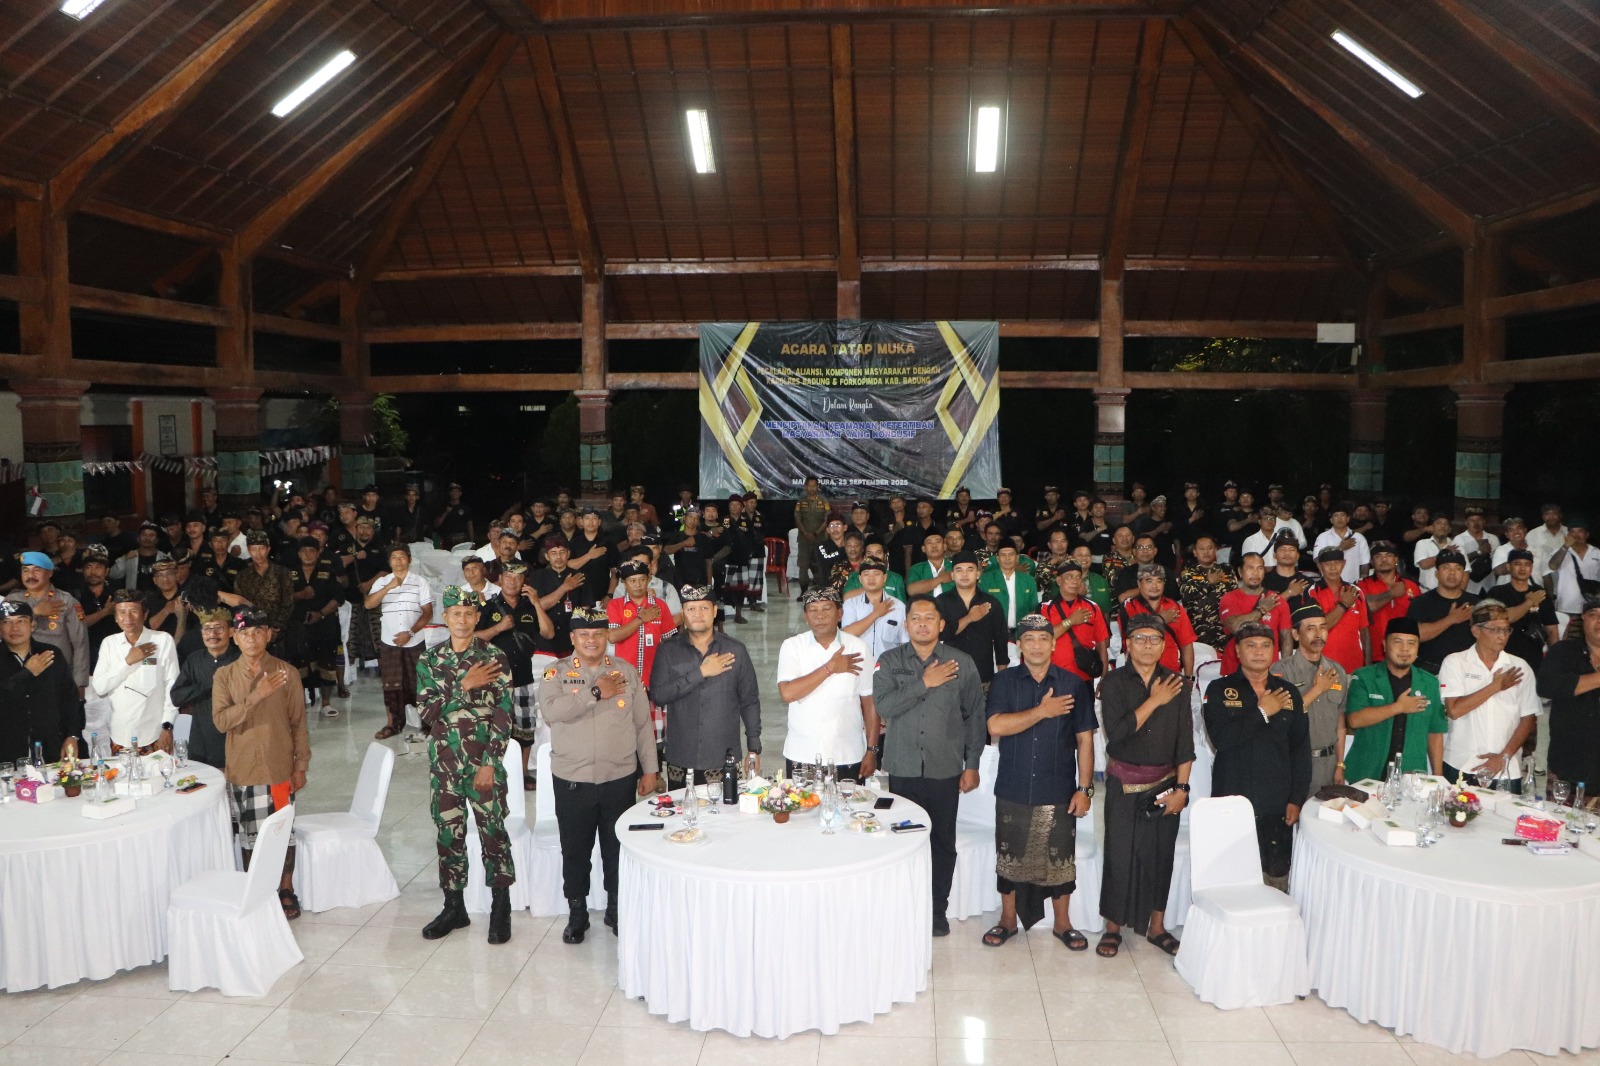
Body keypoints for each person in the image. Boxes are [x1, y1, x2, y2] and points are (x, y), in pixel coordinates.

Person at [538, 607, 658, 944]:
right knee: (575, 850)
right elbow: (551, 712)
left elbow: (642, 724)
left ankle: (616, 908)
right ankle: (577, 913)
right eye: (584, 634)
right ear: (573, 638)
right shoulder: (554, 673)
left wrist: (650, 769)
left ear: (607, 636)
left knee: (616, 849)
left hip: (618, 778)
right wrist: (594, 693)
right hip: (572, 779)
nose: (591, 640)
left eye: (598, 633)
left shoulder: (625, 671)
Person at [978, 613, 1098, 949]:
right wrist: (1042, 712)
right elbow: (996, 727)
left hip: (1058, 785)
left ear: (1053, 643)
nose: (1036, 645)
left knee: (1060, 859)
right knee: (1009, 856)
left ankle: (1063, 923)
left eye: (1043, 638)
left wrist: (1085, 788)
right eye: (1028, 639)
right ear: (1019, 646)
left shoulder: (1073, 684)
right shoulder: (1004, 682)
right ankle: (1007, 921)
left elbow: (1085, 740)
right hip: (1014, 784)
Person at [874, 595, 988, 937]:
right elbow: (884, 707)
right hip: (903, 766)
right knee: (904, 840)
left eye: (929, 618)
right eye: (915, 618)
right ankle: (906, 905)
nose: (922, 623)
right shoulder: (889, 661)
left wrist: (972, 764)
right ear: (906, 625)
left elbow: (975, 716)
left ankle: (937, 909)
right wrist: (924, 682)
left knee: (941, 840)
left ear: (941, 625)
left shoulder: (961, 662)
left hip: (945, 767)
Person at [414, 587, 516, 944]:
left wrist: (490, 763)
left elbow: (504, 716)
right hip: (444, 765)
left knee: (493, 835)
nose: (462, 620)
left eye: (468, 614)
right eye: (455, 613)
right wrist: (464, 685)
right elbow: (426, 714)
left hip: (482, 765)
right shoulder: (430, 660)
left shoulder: (494, 657)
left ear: (477, 617)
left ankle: (500, 907)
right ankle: (454, 906)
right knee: (448, 835)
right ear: (446, 616)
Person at [1098, 613, 1192, 957]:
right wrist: (1154, 700)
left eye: (1154, 639)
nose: (1147, 645)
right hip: (1125, 782)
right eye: (1140, 639)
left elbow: (1185, 744)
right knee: (1119, 855)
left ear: (1165, 645)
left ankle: (1156, 927)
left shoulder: (1178, 683)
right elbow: (1117, 735)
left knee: (1160, 857)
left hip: (1166, 783)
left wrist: (1183, 789)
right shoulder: (1114, 683)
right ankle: (1112, 928)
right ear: (1127, 644)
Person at [212, 607, 311, 919]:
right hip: (242, 769)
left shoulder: (287, 673)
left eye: (257, 631)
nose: (251, 638)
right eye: (244, 632)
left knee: (284, 832)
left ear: (269, 634)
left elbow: (299, 723)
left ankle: (285, 888)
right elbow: (221, 721)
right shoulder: (224, 676)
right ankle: (256, 889)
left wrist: (301, 765)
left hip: (279, 766)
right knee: (249, 834)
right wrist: (256, 696)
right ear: (234, 638)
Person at [1203, 622, 1309, 888]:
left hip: (1277, 803)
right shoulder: (1218, 690)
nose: (1259, 652)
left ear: (1274, 651)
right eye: (1251, 646)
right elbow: (1222, 740)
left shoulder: (1289, 693)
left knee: (1276, 879)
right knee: (1231, 878)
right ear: (1237, 651)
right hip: (1232, 798)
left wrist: (1296, 799)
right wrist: (1262, 713)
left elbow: (1300, 750)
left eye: (1265, 646)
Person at [649, 583, 762, 781]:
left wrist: (753, 748)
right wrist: (700, 673)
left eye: (704, 608)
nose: (697, 614)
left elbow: (749, 700)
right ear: (682, 613)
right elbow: (658, 695)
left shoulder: (736, 650)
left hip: (723, 757)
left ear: (714, 611)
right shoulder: (667, 651)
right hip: (681, 761)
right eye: (691, 609)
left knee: (728, 810)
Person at [776, 587, 878, 780]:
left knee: (849, 809)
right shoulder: (792, 646)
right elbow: (788, 693)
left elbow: (869, 702)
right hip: (802, 754)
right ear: (806, 617)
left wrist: (872, 750)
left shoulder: (857, 647)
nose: (819, 616)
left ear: (840, 613)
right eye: (813, 610)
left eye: (826, 609)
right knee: (803, 809)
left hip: (848, 754)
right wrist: (830, 667)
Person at [1438, 600, 1541, 788]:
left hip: (1506, 768)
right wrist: (1495, 686)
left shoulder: (1520, 667)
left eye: (1506, 630)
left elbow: (1528, 719)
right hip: (1461, 763)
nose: (1502, 636)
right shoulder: (1455, 662)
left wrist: (1504, 756)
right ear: (1475, 631)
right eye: (1494, 630)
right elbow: (1454, 710)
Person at [476, 562, 553, 790]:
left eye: (519, 578)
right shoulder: (489, 606)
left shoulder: (530, 606)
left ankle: (522, 772)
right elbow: (473, 639)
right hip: (494, 679)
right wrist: (497, 628)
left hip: (523, 677)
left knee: (525, 728)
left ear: (524, 582)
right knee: (493, 727)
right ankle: (495, 771)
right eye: (509, 576)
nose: (513, 581)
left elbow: (548, 632)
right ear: (500, 578)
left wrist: (538, 603)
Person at [1342, 617, 1448, 783]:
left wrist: (1438, 775)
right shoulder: (1364, 677)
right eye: (1397, 642)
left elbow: (1435, 731)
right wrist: (1398, 707)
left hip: (1411, 775)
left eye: (1411, 643)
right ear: (1384, 644)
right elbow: (1354, 720)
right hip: (1366, 773)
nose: (1405, 649)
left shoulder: (1429, 682)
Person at [89, 590, 179, 754]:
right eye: (122, 613)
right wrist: (128, 661)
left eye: (134, 611)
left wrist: (167, 726)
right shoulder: (109, 644)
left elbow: (172, 686)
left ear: (145, 614)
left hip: (154, 734)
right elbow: (100, 687)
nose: (128, 618)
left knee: (159, 778)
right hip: (119, 735)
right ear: (116, 617)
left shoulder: (162, 640)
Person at [1271, 603, 1348, 792]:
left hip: (1329, 764)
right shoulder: (1281, 670)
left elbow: (1340, 723)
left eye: (1323, 627)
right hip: (1295, 761)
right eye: (1311, 628)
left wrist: (1340, 765)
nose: (1318, 634)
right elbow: (1281, 718)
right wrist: (1317, 690)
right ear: (1296, 634)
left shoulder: (1337, 671)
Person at [607, 559, 678, 758]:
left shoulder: (660, 606)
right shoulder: (616, 606)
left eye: (641, 580)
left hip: (655, 678)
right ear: (624, 584)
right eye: (632, 581)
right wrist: (641, 619)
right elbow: (612, 636)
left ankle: (654, 774)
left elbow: (670, 642)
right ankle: (634, 772)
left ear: (648, 580)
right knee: (628, 728)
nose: (637, 585)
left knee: (655, 731)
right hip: (625, 680)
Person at [365, 545, 434, 740]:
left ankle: (427, 725)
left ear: (409, 559)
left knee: (420, 683)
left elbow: (428, 612)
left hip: (415, 640)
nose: (398, 561)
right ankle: (393, 725)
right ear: (389, 561)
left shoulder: (420, 582)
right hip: (389, 641)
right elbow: (369, 604)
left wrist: (411, 632)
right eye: (394, 557)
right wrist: (388, 587)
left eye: (402, 557)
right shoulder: (382, 582)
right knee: (391, 684)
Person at [0, 600, 82, 762]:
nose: (14, 628)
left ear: (33, 625)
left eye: (21, 621)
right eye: (7, 622)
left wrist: (72, 735)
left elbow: (69, 698)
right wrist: (27, 673)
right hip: (7, 752)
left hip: (50, 747)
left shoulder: (51, 654)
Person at [1537, 596, 1600, 804]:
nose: (1599, 621)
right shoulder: (1563, 651)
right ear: (1583, 619)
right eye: (1593, 615)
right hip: (1566, 766)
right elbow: (1546, 686)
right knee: (1558, 831)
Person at [7, 551, 89, 696]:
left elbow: (80, 644)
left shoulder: (66, 601)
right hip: (20, 676)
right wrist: (34, 612)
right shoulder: (12, 601)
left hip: (56, 679)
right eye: (25, 570)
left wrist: (79, 682)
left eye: (36, 570)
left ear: (50, 573)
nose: (30, 575)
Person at [168, 607, 238, 769]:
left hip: (234, 740)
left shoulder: (240, 661)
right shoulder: (194, 660)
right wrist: (207, 683)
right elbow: (176, 697)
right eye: (207, 628)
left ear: (231, 631)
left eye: (219, 628)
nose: (212, 634)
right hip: (201, 741)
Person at [289, 537, 345, 717]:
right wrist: (300, 595)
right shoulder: (289, 573)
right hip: (298, 626)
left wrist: (321, 613)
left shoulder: (327, 572)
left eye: (311, 550)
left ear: (318, 552)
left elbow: (338, 598)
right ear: (298, 554)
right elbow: (283, 598)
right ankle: (301, 701)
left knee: (326, 661)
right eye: (303, 551)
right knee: (299, 663)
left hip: (324, 623)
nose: (307, 554)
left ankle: (326, 703)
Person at [935, 551, 1009, 687]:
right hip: (949, 675)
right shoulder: (942, 601)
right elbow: (941, 634)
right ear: (952, 575)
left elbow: (1001, 641)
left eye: (970, 569)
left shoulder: (991, 602)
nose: (964, 574)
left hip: (982, 674)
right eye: (959, 570)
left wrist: (1001, 677)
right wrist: (969, 618)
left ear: (978, 574)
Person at [1119, 564, 1198, 681]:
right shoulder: (1128, 607)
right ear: (1139, 584)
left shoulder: (1175, 608)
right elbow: (1132, 632)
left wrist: (1188, 677)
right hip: (1136, 678)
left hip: (1171, 676)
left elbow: (1186, 645)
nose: (1154, 586)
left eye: (1159, 581)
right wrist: (1160, 619)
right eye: (1149, 581)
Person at [1217, 552, 1291, 674]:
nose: (1255, 573)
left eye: (1260, 568)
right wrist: (1262, 610)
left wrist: (1286, 668)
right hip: (1234, 670)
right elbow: (1235, 627)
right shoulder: (1229, 598)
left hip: (1269, 670)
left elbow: (1286, 637)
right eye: (1250, 568)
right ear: (1240, 572)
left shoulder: (1277, 600)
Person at [1487, 548, 1559, 670]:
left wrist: (1553, 660)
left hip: (1534, 657)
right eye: (1517, 564)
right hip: (1503, 656)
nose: (1522, 568)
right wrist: (1529, 602)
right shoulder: (1497, 592)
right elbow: (1504, 617)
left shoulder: (1540, 593)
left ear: (1532, 568)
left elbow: (1552, 630)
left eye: (1527, 564)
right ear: (1509, 567)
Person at [1410, 549, 1480, 674]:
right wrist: (1451, 619)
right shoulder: (1420, 602)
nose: (1452, 572)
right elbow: (1415, 635)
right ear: (1436, 574)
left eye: (1458, 568)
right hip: (1429, 670)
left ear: (1464, 575)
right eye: (1446, 567)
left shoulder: (1476, 602)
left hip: (1468, 670)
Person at [1304, 547, 1370, 672]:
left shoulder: (1356, 591)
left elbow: (1364, 631)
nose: (1333, 568)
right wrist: (1344, 604)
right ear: (1320, 566)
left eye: (1337, 563)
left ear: (1343, 564)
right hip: (1322, 667)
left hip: (1354, 666)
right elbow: (1316, 629)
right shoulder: (1312, 592)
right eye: (1327, 564)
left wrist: (1368, 668)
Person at [1041, 564, 1110, 683]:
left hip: (1084, 676)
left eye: (1078, 577)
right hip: (1054, 676)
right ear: (1059, 581)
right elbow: (1044, 638)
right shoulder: (1045, 607)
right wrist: (1071, 621)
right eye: (1069, 577)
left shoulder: (1092, 607)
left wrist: (1104, 679)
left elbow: (1101, 645)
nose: (1074, 581)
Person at [1358, 541, 1419, 660]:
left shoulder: (1411, 586)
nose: (1384, 559)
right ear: (1371, 562)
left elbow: (1419, 619)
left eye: (1388, 555)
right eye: (1378, 556)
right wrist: (1391, 594)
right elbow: (1364, 608)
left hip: (1404, 653)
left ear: (1396, 559)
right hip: (1372, 653)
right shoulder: (1362, 585)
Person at [841, 557, 908, 662]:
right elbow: (846, 635)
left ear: (885, 578)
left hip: (888, 668)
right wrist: (876, 614)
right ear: (860, 579)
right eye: (866, 574)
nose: (871, 578)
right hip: (858, 665)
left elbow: (905, 642)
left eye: (876, 574)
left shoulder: (898, 606)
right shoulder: (851, 604)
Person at [1177, 535, 1235, 649]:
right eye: (1201, 549)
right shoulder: (1188, 573)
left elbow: (1235, 595)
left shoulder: (1227, 570)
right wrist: (1208, 583)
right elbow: (1187, 599)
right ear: (1195, 552)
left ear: (1216, 550)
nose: (1206, 552)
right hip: (1200, 631)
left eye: (1210, 548)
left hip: (1226, 630)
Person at [979, 543, 1040, 631]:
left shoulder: (1028, 580)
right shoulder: (986, 579)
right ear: (997, 558)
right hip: (994, 632)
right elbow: (981, 607)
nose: (1007, 558)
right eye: (1003, 555)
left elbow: (1033, 609)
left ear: (1017, 558)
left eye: (1011, 554)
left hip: (1022, 632)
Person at [1312, 503, 1370, 583]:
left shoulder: (1359, 538)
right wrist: (1340, 548)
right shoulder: (1322, 537)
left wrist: (1362, 582)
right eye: (1336, 515)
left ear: (1348, 519)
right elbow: (1317, 559)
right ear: (1331, 520)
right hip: (1329, 583)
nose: (1339, 518)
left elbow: (1365, 563)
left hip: (1352, 583)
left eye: (1342, 515)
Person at [794, 477, 832, 596]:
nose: (812, 488)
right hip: (804, 539)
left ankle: (821, 589)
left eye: (814, 486)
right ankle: (803, 591)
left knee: (820, 564)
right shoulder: (801, 501)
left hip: (820, 538)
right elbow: (797, 518)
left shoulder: (824, 501)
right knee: (803, 565)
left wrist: (815, 533)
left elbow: (827, 519)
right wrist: (806, 533)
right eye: (809, 486)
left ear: (818, 486)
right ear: (805, 487)